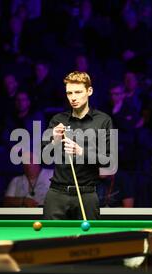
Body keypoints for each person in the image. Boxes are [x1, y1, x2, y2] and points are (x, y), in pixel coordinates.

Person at [42, 71, 114, 220]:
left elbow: (109, 160)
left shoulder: (103, 121)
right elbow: (44, 157)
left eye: (78, 92)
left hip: (86, 195)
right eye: (69, 93)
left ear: (89, 91)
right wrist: (54, 140)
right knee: (51, 242)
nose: (73, 97)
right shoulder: (57, 120)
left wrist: (80, 151)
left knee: (88, 243)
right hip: (56, 195)